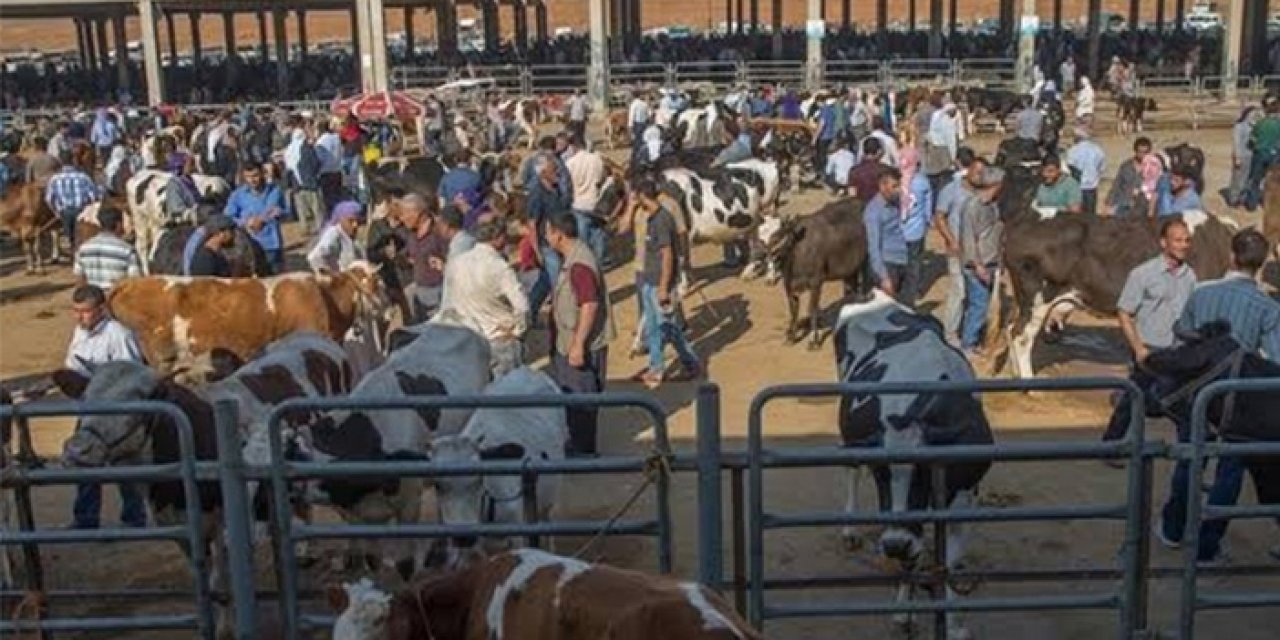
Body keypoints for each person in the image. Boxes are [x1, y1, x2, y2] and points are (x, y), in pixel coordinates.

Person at [1159, 230, 1280, 564]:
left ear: (1231, 256)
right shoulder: (1268, 307)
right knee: (1230, 473)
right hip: (1240, 405)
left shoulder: (1201, 293)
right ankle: (1206, 548)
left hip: (1199, 397)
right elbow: (1275, 360)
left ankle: (1173, 528)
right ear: (1261, 264)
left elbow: (1182, 335)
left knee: (1189, 460)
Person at [1102, 218, 1197, 443]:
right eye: (1178, 240)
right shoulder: (1143, 274)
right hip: (1149, 350)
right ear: (1164, 243)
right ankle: (1110, 444)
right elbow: (1124, 312)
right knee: (1133, 400)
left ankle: (1188, 449)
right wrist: (1139, 348)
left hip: (1177, 349)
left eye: (1187, 240)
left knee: (1179, 399)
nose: (1184, 245)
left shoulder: (1190, 276)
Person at [63, 284, 147, 530]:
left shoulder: (118, 334)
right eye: (76, 311)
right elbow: (72, 366)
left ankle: (134, 518)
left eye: (85, 311)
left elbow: (128, 374)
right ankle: (86, 518)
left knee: (124, 464)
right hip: (89, 407)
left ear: (101, 309)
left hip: (114, 411)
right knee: (85, 461)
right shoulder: (80, 332)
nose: (80, 316)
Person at [546, 212, 615, 457]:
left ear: (559, 234)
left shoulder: (580, 264)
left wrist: (578, 344)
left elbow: (589, 304)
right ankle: (579, 444)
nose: (547, 237)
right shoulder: (574, 257)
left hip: (580, 344)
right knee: (575, 398)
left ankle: (584, 451)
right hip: (571, 340)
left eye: (548, 232)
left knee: (581, 398)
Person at [631, 178, 702, 387]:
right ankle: (660, 366)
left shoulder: (661, 220)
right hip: (650, 280)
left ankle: (684, 363)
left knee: (665, 327)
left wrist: (663, 287)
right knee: (658, 327)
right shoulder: (655, 217)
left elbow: (667, 254)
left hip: (658, 283)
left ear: (643, 196)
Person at [440, 218, 530, 378]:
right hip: (499, 338)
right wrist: (518, 330)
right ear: (499, 238)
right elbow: (522, 306)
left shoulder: (457, 263)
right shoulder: (498, 266)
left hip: (470, 338)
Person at [959, 159, 1005, 356]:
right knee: (979, 305)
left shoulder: (993, 206)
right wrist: (978, 266)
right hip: (977, 265)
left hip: (992, 261)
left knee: (982, 304)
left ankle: (975, 340)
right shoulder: (972, 206)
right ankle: (968, 344)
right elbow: (969, 240)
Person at [934, 148, 977, 344]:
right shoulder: (951, 189)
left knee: (975, 292)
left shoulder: (982, 189)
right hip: (957, 247)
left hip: (978, 249)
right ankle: (950, 333)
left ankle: (970, 331)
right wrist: (951, 240)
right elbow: (939, 216)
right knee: (959, 291)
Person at [526, 154, 573, 322]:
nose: (558, 173)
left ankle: (529, 313)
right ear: (543, 173)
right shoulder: (537, 194)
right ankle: (561, 319)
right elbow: (532, 224)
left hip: (560, 242)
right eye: (554, 170)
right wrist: (537, 250)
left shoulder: (556, 189)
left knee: (545, 282)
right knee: (557, 284)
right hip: (547, 246)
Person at [225, 164, 287, 273]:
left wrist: (275, 214)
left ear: (263, 174)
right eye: (248, 177)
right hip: (250, 244)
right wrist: (245, 222)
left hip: (272, 243)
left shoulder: (275, 191)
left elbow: (283, 210)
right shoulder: (238, 195)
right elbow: (228, 217)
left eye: (255, 176)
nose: (252, 180)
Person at [399, 193, 448, 322]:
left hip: (438, 293)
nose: (402, 218)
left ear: (417, 213)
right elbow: (411, 255)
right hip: (419, 291)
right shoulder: (412, 234)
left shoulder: (439, 231)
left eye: (404, 214)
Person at [44, 145, 100, 250]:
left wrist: (57, 211)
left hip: (65, 212)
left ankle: (71, 251)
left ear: (60, 162)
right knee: (82, 238)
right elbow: (94, 197)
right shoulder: (83, 177)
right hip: (82, 212)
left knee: (69, 237)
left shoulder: (55, 179)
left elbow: (49, 199)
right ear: (73, 160)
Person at [863, 167, 907, 298]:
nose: (899, 190)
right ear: (882, 186)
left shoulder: (894, 203)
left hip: (901, 259)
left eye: (898, 185)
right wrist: (884, 277)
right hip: (888, 265)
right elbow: (874, 247)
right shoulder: (874, 212)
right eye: (895, 186)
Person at [73, 207, 141, 290]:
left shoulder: (83, 249)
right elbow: (134, 281)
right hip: (117, 298)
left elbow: (79, 279)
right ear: (118, 224)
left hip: (94, 299)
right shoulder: (127, 250)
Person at [563, 133, 608, 261]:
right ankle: (600, 259)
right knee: (598, 232)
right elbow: (602, 177)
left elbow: (568, 184)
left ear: (573, 146)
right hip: (595, 201)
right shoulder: (597, 159)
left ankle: (585, 259)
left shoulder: (570, 163)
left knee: (582, 233)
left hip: (578, 202)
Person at [900, 157, 934, 307]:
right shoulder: (923, 182)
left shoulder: (895, 181)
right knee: (914, 263)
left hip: (898, 230)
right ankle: (914, 292)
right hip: (916, 230)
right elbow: (928, 208)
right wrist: (928, 222)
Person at [1242, 97, 1280, 210]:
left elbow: (1252, 140)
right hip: (1274, 155)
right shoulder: (1278, 125)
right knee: (1271, 181)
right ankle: (1267, 203)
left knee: (1255, 179)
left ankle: (1251, 204)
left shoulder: (1260, 124)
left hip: (1259, 154)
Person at [306, 201, 364, 273]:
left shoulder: (351, 237)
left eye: (357, 221)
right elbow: (314, 257)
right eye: (351, 221)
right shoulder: (334, 234)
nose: (355, 225)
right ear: (341, 220)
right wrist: (328, 274)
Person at [286, 126, 324, 234]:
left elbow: (288, 168)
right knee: (316, 208)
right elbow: (316, 162)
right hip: (310, 182)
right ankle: (319, 226)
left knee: (301, 209)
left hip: (296, 184)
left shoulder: (289, 149)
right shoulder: (307, 148)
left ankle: (304, 228)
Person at [1223, 107, 1261, 207]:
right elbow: (1236, 142)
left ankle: (1242, 198)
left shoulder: (1254, 127)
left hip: (1251, 156)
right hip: (1242, 155)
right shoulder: (1239, 126)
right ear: (1246, 114)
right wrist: (1237, 157)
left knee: (1247, 178)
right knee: (1237, 178)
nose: (1254, 116)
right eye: (1252, 114)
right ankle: (1233, 199)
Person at [1107, 137, 1154, 217]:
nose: (1142, 155)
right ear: (1135, 151)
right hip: (1123, 206)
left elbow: (1155, 191)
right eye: (1140, 152)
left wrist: (1151, 210)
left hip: (1142, 209)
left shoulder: (1153, 169)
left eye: (1145, 152)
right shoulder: (1126, 166)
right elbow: (1116, 185)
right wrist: (1109, 204)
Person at [1066, 127, 1107, 214]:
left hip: (1077, 187)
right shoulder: (1097, 149)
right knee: (1090, 214)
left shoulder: (1073, 150)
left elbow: (1070, 168)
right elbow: (1102, 167)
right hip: (1092, 187)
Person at [849, 137, 885, 202]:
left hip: (860, 209)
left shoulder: (854, 170)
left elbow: (852, 195)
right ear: (879, 152)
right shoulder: (885, 170)